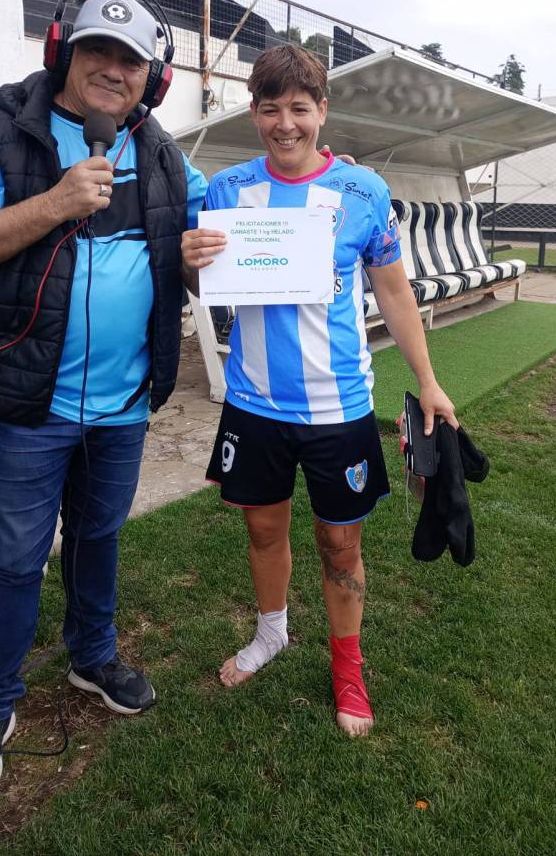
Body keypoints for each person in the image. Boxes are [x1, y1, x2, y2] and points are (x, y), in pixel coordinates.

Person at [0, 0, 209, 800]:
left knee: (98, 535)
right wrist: (54, 203)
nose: (113, 70)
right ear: (63, 53)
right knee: (15, 557)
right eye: (97, 52)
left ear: (152, 80)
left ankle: (92, 656)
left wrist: (212, 250)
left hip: (123, 404)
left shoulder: (161, 153)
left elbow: (204, 243)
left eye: (130, 61)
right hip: (28, 407)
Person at [181, 45, 457, 738]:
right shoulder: (227, 190)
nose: (285, 123)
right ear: (253, 112)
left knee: (340, 543)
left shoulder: (362, 192)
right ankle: (271, 632)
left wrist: (428, 382)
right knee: (262, 529)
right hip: (254, 402)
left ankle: (347, 665)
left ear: (322, 111)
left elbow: (394, 292)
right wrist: (190, 265)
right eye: (270, 109)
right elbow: (209, 287)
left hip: (339, 407)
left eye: (299, 108)